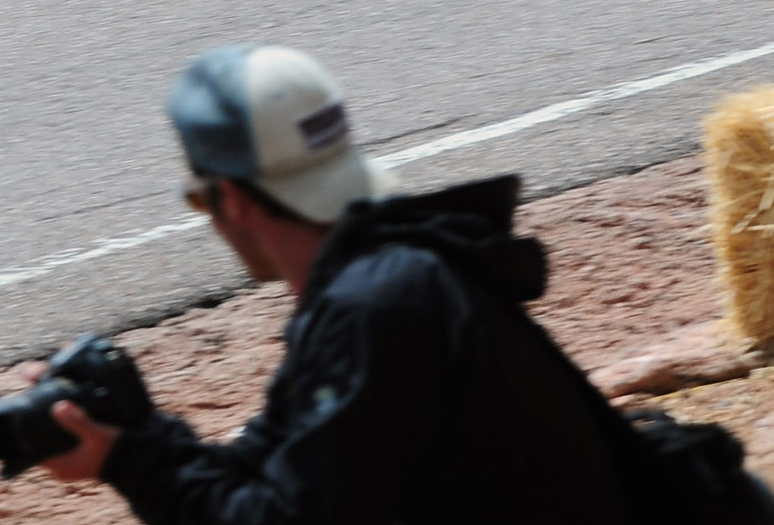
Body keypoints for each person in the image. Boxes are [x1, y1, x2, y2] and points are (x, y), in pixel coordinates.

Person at [33, 43, 640, 523]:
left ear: (236, 200)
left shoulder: (374, 309)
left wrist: (134, 461)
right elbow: (267, 470)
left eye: (201, 199)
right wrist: (135, 434)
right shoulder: (389, 272)